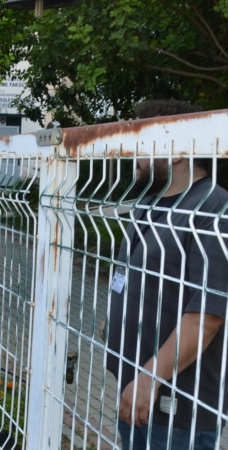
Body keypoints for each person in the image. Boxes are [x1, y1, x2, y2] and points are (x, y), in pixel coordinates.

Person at [100, 99, 228, 449]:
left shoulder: (215, 209)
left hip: (177, 414)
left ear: (176, 151)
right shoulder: (150, 204)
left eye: (143, 142)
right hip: (137, 397)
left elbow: (207, 315)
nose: (134, 153)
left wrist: (150, 377)